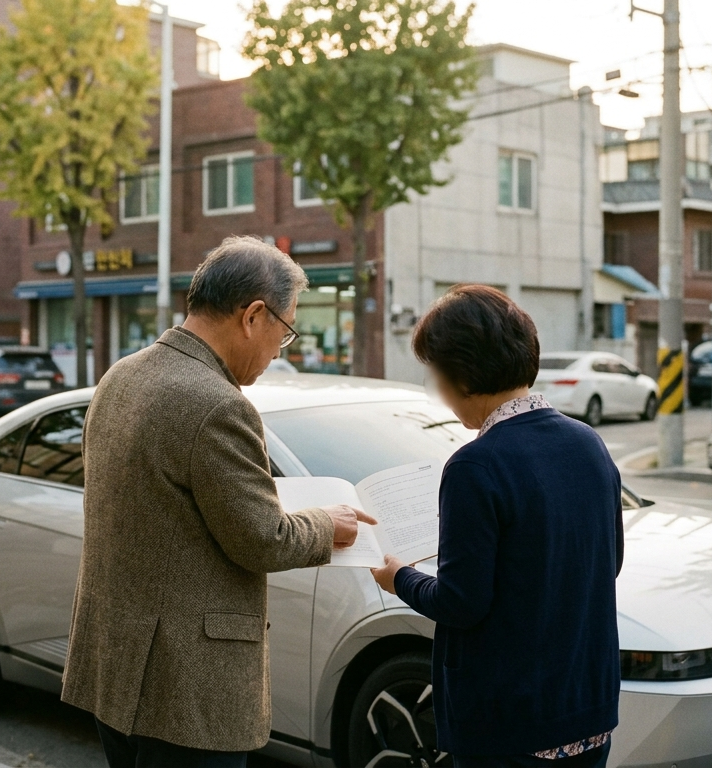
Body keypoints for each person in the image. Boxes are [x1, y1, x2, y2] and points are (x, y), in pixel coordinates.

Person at [62, 236, 374, 768]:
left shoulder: (120, 377)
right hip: (185, 689)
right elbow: (263, 539)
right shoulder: (217, 404)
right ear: (254, 315)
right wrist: (328, 523)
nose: (282, 350)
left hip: (113, 667)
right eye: (286, 329)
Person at [370, 285, 624, 768]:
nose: (439, 393)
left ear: (461, 375)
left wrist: (398, 576)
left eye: (435, 376)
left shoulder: (475, 466)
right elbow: (608, 562)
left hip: (510, 720)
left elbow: (460, 603)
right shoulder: (588, 443)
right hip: (587, 707)